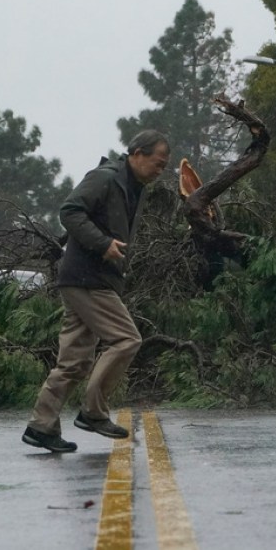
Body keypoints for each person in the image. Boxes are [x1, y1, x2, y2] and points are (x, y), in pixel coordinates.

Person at [22, 130, 171, 452]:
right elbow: (70, 211)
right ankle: (93, 412)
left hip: (89, 279)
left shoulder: (134, 187)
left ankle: (41, 426)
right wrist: (103, 245)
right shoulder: (105, 178)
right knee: (127, 339)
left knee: (73, 361)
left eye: (164, 166)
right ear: (137, 153)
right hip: (88, 278)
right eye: (158, 163)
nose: (160, 171)